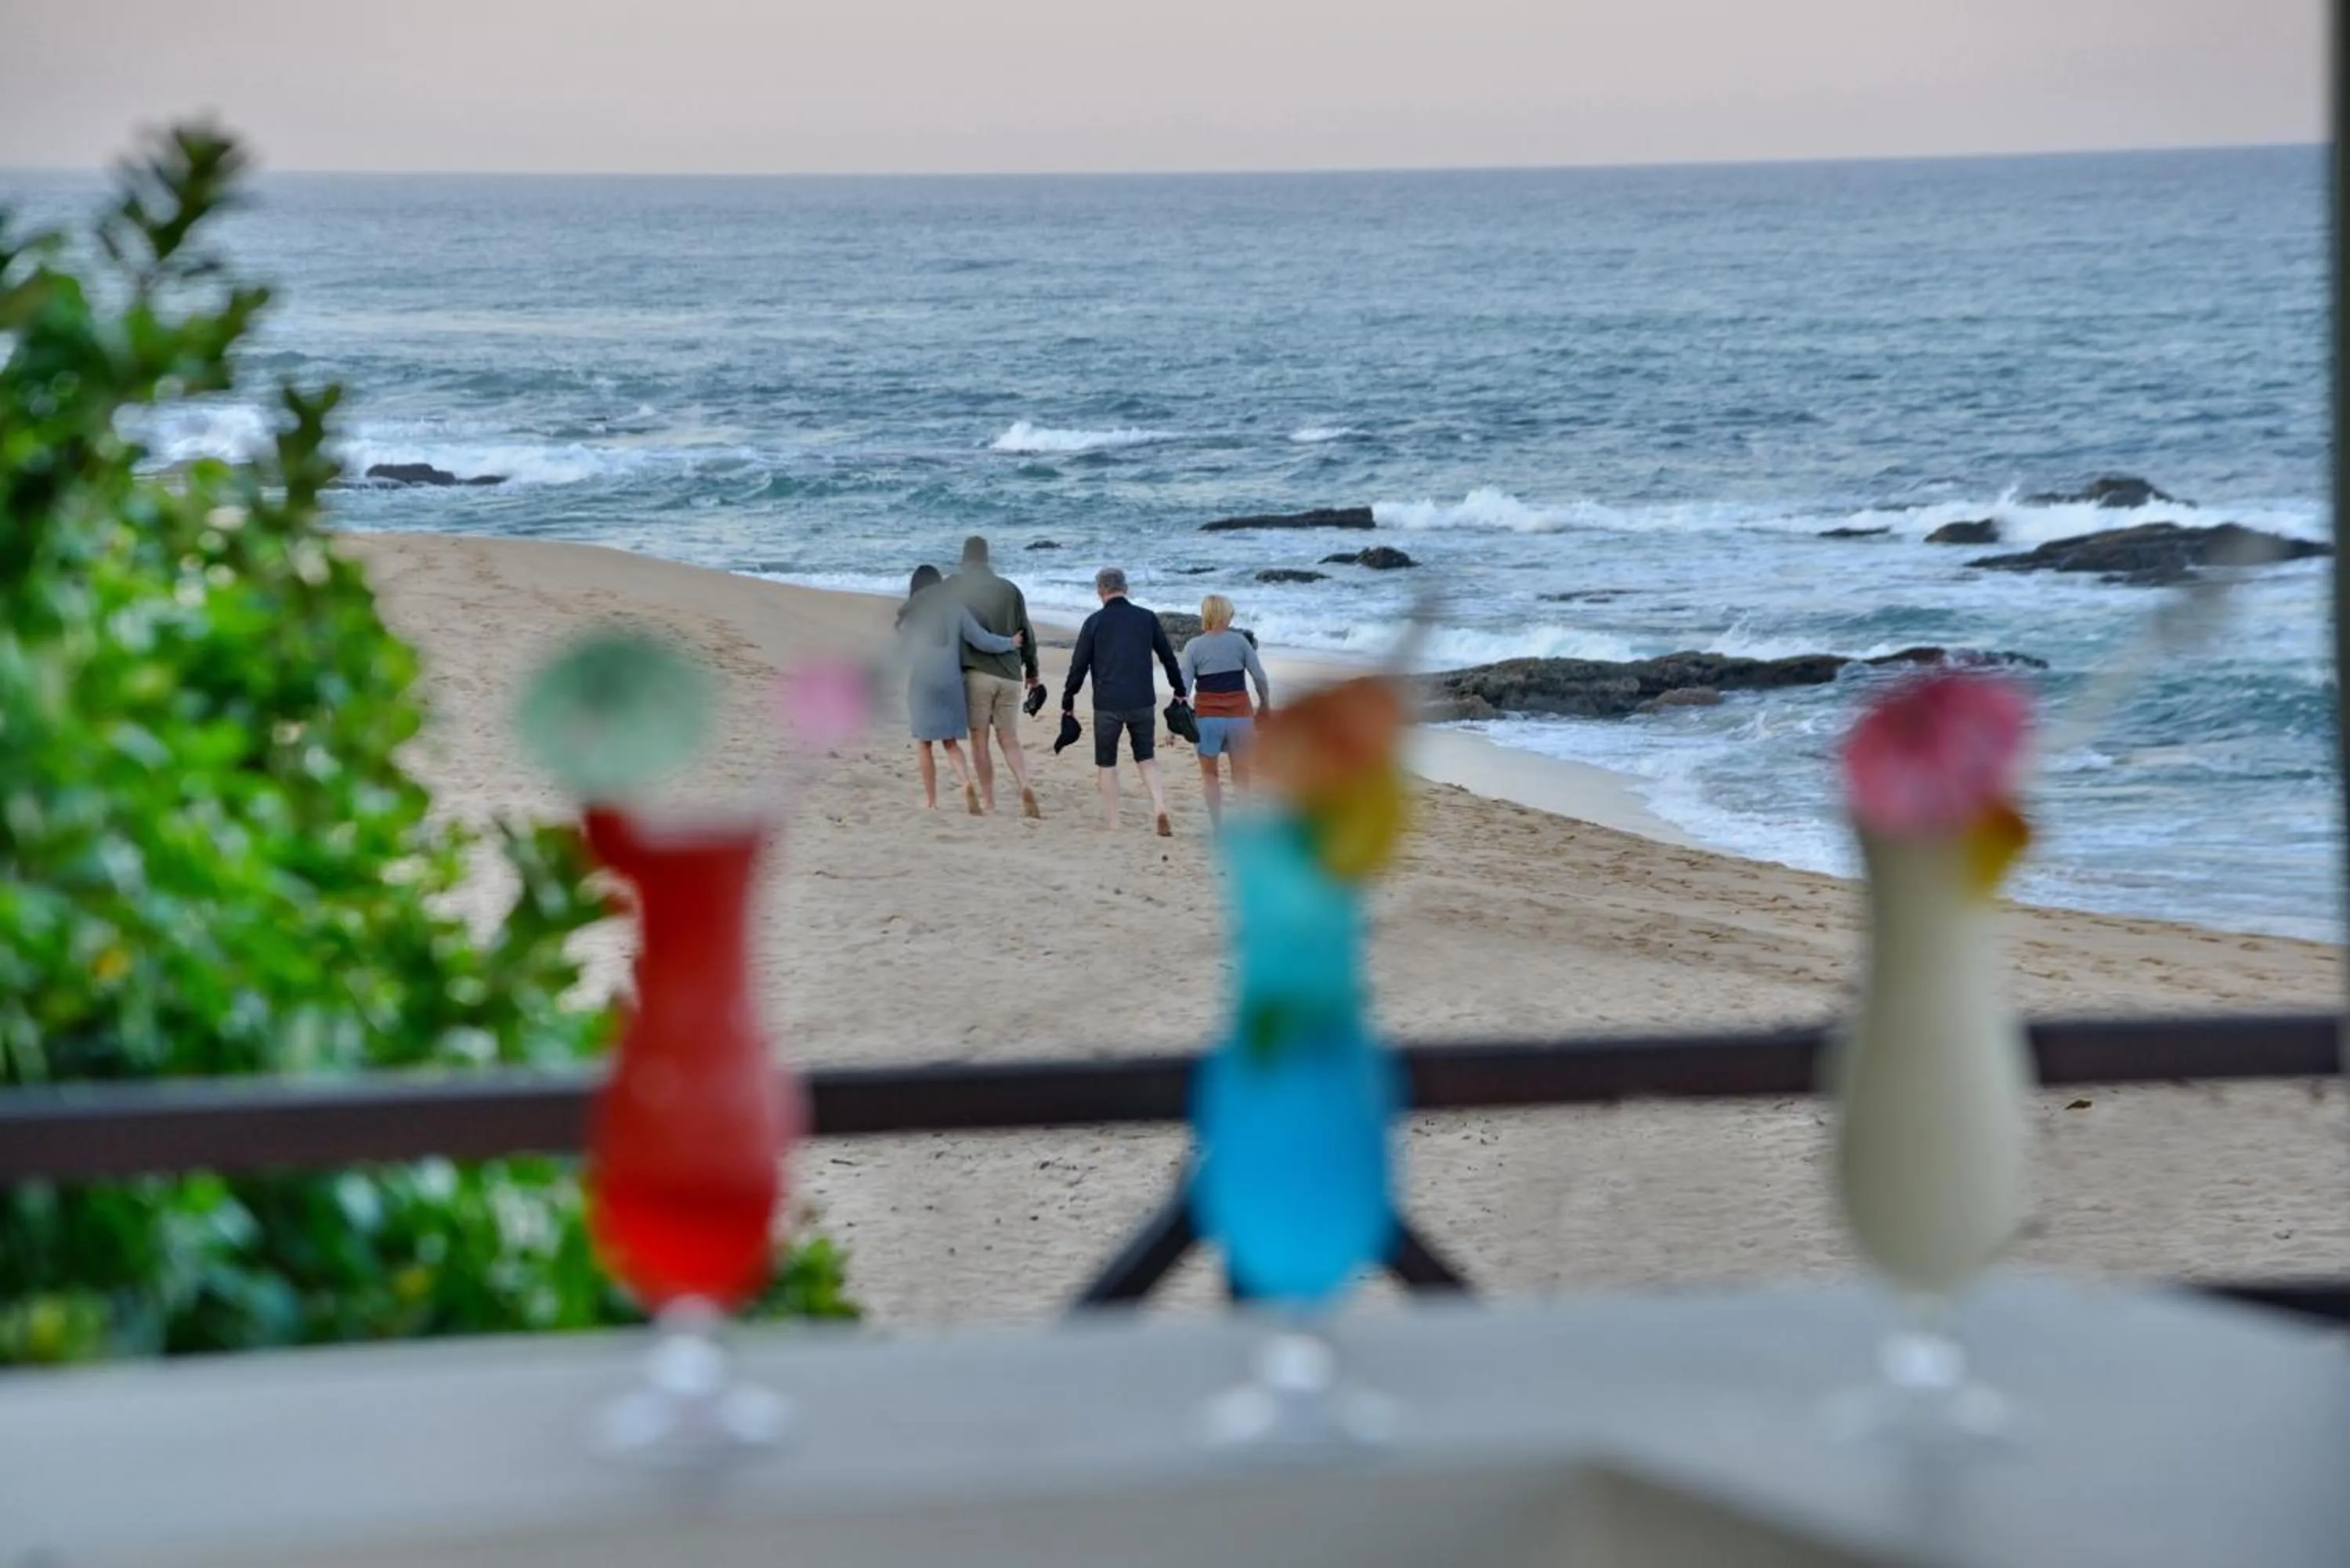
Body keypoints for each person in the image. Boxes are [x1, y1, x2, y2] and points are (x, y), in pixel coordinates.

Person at [1062, 565, 1186, 835]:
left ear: (1100, 591)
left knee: (1107, 763)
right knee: (1147, 758)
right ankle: (1159, 806)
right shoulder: (1146, 618)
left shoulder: (1094, 622)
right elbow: (1168, 657)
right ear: (1125, 588)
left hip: (1107, 703)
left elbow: (1078, 665)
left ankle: (1114, 822)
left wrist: (1068, 698)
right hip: (1142, 700)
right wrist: (1179, 690)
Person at [898, 563, 1021, 813]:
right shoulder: (955, 608)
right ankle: (966, 782)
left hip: (923, 683)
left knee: (924, 744)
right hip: (951, 682)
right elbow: (981, 640)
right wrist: (1010, 642)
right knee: (950, 743)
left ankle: (932, 801)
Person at [951, 535, 1043, 819]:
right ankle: (1024, 784)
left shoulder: (955, 586)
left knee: (980, 739)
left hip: (977, 673)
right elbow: (1026, 631)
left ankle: (989, 801)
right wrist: (1033, 671)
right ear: (988, 559)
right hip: (1011, 675)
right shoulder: (1010, 589)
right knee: (1009, 738)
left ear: (965, 560)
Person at [1178, 594, 1272, 827]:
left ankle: (1218, 828)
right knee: (1241, 775)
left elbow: (1183, 688)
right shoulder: (1240, 642)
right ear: (1225, 615)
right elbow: (1259, 677)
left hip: (1207, 719)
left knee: (1210, 776)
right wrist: (1265, 704)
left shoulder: (1194, 646)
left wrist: (1176, 723)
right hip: (1240, 717)